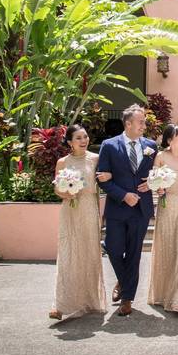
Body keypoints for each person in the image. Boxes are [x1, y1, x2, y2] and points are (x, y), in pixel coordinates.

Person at [96, 105, 157, 316]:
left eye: (144, 122)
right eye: (140, 122)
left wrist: (151, 183)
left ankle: (127, 299)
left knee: (134, 254)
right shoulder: (109, 145)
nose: (144, 126)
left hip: (141, 209)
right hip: (117, 208)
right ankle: (124, 282)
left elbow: (159, 174)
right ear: (128, 123)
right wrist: (123, 195)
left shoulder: (151, 146)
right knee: (113, 249)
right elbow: (102, 178)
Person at [48, 125, 107, 320]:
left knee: (89, 252)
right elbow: (57, 188)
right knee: (68, 253)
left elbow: (104, 180)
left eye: (85, 136)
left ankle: (89, 300)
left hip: (89, 208)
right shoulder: (63, 162)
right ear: (70, 142)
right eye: (78, 138)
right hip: (70, 209)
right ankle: (61, 304)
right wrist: (67, 192)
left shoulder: (96, 158)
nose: (84, 140)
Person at [147, 124, 178, 314]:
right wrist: (158, 187)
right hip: (166, 206)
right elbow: (153, 180)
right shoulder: (161, 157)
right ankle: (163, 294)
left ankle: (177, 299)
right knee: (167, 251)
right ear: (169, 140)